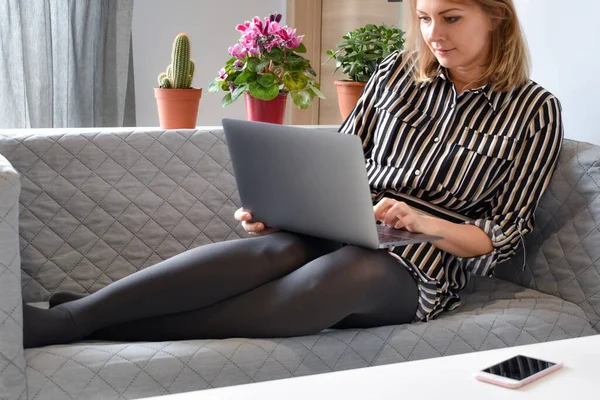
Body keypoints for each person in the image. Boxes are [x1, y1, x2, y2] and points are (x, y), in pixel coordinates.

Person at [23, 0, 563, 348]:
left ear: (496, 17)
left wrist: (424, 222)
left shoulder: (535, 109)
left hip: (422, 264)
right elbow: (344, 160)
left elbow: (501, 237)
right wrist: (289, 210)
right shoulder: (396, 74)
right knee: (273, 251)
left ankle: (89, 324)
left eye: (450, 18)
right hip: (345, 225)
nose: (432, 34)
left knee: (342, 274)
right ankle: (78, 317)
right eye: (423, 18)